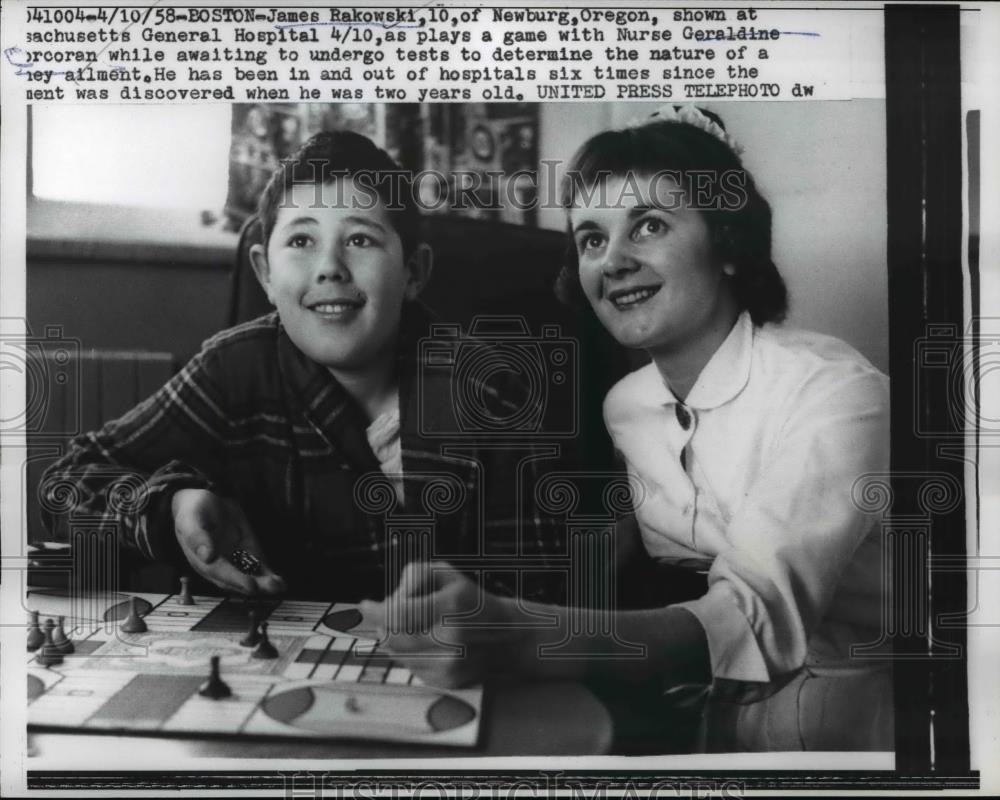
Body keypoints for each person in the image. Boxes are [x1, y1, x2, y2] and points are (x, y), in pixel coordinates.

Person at [362, 106, 893, 752]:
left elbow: (750, 616)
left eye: (647, 225)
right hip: (696, 704)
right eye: (591, 239)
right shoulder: (624, 407)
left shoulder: (837, 392)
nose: (612, 261)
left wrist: (522, 633)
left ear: (727, 245)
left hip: (855, 710)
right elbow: (639, 545)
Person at [40, 131, 566, 602]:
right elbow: (65, 483)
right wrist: (170, 509)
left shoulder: (489, 390)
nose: (330, 268)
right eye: (300, 240)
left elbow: (538, 590)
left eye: (360, 239)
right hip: (270, 661)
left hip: (438, 671)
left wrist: (453, 556)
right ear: (264, 273)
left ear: (413, 272)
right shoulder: (236, 369)